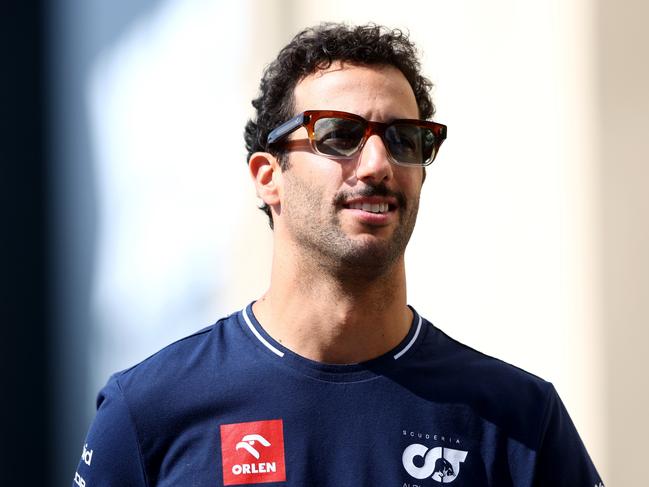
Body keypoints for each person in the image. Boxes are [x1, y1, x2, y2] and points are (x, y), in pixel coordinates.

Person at [73, 23, 604, 486]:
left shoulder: (519, 419)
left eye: (403, 140)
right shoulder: (149, 410)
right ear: (268, 178)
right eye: (339, 135)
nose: (377, 164)